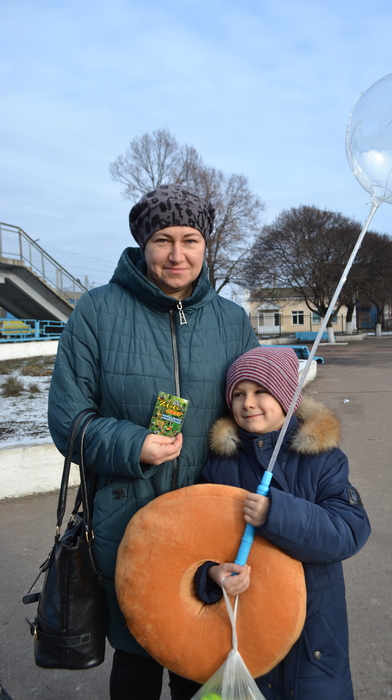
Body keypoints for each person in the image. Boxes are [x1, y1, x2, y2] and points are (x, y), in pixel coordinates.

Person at [47, 184, 259, 700]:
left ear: (207, 245)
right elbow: (67, 420)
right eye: (163, 240)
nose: (177, 254)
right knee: (137, 656)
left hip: (211, 518)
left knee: (198, 654)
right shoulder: (96, 312)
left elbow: (259, 410)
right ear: (143, 244)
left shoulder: (232, 320)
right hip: (127, 519)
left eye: (190, 240)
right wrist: (132, 444)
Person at [195, 346, 371, 699]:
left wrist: (276, 513)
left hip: (313, 639)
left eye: (262, 391)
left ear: (288, 397)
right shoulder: (219, 466)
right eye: (239, 394)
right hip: (244, 634)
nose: (248, 403)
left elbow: (349, 530)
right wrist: (211, 574)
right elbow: (196, 542)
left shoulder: (323, 460)